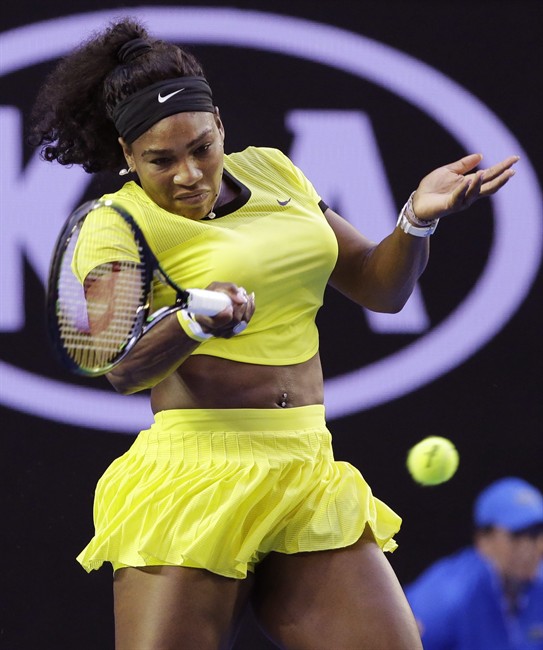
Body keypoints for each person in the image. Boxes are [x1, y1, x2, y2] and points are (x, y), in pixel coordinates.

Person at [30, 17, 519, 650]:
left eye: (201, 147)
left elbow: (380, 287)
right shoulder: (118, 224)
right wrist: (190, 321)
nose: (188, 175)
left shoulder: (274, 173)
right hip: (195, 480)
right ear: (127, 156)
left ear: (221, 129)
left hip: (306, 471)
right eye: (161, 160)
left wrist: (415, 222)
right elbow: (120, 367)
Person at [405, 477, 543, 650]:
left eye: (537, 533)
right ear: (483, 540)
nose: (534, 546)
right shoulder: (444, 597)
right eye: (518, 535)